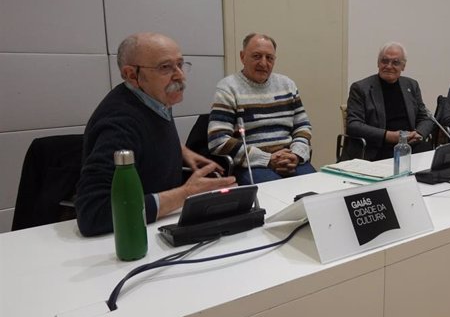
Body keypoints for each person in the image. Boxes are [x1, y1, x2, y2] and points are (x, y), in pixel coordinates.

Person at [76, 32, 236, 237]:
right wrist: (186, 193)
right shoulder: (119, 123)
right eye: (165, 67)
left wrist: (180, 149)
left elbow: (148, 130)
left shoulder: (155, 100)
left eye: (180, 64)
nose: (180, 75)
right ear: (132, 75)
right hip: (132, 237)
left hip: (163, 222)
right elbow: (93, 214)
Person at [208, 33, 315, 184]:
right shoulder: (228, 88)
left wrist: (296, 154)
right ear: (242, 56)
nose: (263, 63)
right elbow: (218, 141)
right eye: (257, 56)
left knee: (316, 193)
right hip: (252, 164)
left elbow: (303, 127)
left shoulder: (287, 85)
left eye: (269, 58)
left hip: (290, 159)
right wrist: (267, 159)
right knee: (277, 197)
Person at [346, 41, 434, 161]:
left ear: (403, 66)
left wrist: (419, 133)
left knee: (434, 163)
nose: (389, 66)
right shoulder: (361, 88)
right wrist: (388, 136)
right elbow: (353, 126)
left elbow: (425, 117)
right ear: (378, 63)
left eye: (396, 62)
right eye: (385, 61)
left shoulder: (411, 85)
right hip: (377, 148)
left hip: (410, 145)